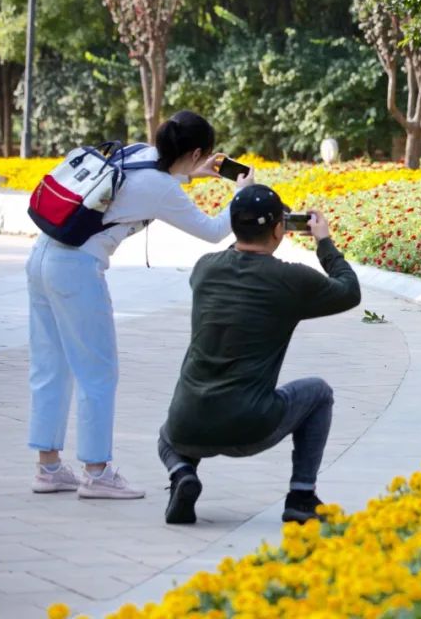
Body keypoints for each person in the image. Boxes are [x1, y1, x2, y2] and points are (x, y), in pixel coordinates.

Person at [27, 110, 255, 500]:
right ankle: (97, 474)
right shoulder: (162, 188)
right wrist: (241, 194)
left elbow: (150, 180)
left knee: (52, 366)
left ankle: (49, 468)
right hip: (76, 272)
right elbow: (214, 231)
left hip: (41, 258)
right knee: (98, 373)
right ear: (197, 151)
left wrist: (194, 172)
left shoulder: (137, 152)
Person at [157, 184, 360, 525]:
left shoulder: (204, 269)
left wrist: (243, 215)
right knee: (319, 393)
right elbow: (349, 291)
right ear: (280, 228)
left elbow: (235, 256)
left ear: (235, 226)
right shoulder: (291, 280)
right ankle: (301, 496)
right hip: (250, 426)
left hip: (188, 423)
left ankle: (182, 473)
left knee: (167, 436)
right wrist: (324, 242)